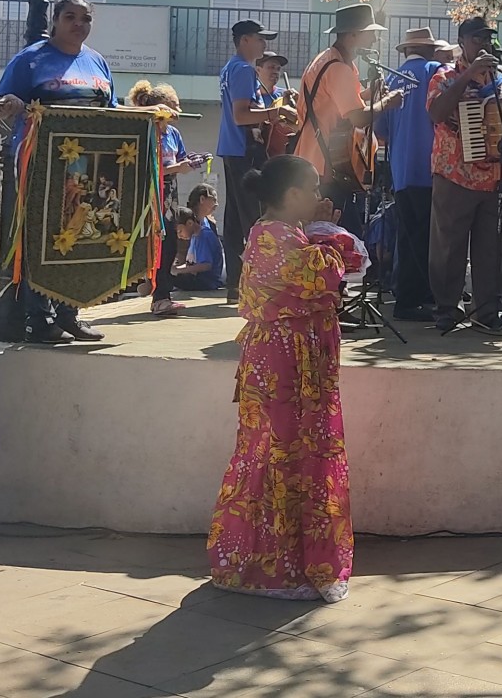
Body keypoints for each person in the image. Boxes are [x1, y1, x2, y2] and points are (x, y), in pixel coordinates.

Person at [207, 154, 362, 602]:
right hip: (281, 365)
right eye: (311, 189)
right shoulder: (273, 238)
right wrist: (328, 240)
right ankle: (273, 568)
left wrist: (322, 240)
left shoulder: (283, 235)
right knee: (280, 456)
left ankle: (294, 560)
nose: (317, 197)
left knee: (293, 453)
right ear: (292, 195)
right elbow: (325, 276)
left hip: (289, 360)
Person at [0, 0, 114, 343]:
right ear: (55, 20)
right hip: (41, 165)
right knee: (41, 235)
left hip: (89, 166)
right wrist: (9, 104)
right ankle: (38, 318)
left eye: (85, 18)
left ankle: (69, 313)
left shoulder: (98, 62)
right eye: (71, 17)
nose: (79, 24)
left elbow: (112, 110)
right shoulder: (30, 60)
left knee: (77, 234)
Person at [427, 17, 502, 334]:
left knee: (492, 247)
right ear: (462, 41)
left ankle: (487, 310)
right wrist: (468, 74)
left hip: (499, 178)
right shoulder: (443, 77)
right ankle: (446, 308)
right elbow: (436, 113)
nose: (484, 44)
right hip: (456, 174)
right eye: (477, 38)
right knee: (449, 246)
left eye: (488, 38)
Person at [295, 4, 404, 225]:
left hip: (315, 157)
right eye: (370, 32)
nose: (374, 39)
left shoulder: (329, 59)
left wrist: (370, 93)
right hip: (327, 164)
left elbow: (341, 104)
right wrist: (386, 103)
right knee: (334, 234)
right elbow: (358, 117)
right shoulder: (339, 68)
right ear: (353, 34)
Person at [217, 19, 296, 305]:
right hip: (244, 149)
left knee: (234, 220)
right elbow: (242, 116)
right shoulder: (242, 69)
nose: (264, 44)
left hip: (230, 147)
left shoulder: (230, 68)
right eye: (260, 39)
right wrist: (277, 113)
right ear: (244, 40)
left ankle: (237, 287)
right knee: (255, 218)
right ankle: (260, 284)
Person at [376, 28, 450, 322]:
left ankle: (408, 296)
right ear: (430, 50)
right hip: (432, 166)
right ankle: (414, 299)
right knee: (429, 238)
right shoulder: (436, 71)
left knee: (408, 236)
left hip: (401, 169)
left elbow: (380, 131)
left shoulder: (392, 78)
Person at [129, 80, 197, 316]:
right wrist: (176, 168)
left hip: (170, 195)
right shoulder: (146, 129)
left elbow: (180, 158)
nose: (177, 111)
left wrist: (190, 163)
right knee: (152, 243)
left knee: (169, 244)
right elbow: (147, 166)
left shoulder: (174, 133)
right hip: (149, 192)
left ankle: (163, 295)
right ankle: (154, 292)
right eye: (173, 106)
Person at [176, 184, 226, 291]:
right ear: (202, 199)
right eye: (214, 200)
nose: (216, 205)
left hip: (205, 277)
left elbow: (206, 264)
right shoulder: (188, 224)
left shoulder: (205, 229)